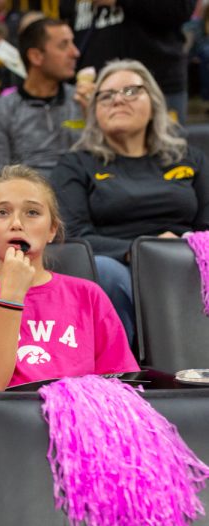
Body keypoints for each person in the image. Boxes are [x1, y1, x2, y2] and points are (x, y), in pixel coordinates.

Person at [50, 59, 209, 342]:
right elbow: (72, 236)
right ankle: (122, 373)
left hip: (187, 258)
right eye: (106, 95)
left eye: (131, 91)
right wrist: (141, 249)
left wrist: (182, 248)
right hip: (118, 262)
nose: (118, 100)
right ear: (95, 109)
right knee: (106, 272)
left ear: (154, 103)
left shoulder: (190, 157)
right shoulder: (76, 164)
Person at [0, 164, 138, 395]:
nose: (16, 223)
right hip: (11, 421)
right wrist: (11, 296)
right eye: (2, 212)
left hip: (83, 420)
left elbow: (121, 384)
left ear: (52, 230)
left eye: (32, 212)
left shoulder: (89, 294)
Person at [0, 17, 90, 170]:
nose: (75, 52)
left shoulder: (84, 102)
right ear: (36, 56)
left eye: (72, 43)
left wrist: (92, 119)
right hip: (27, 191)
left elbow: (103, 165)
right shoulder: (0, 112)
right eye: (64, 45)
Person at [59, 0, 195, 123]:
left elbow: (181, 8)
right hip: (91, 87)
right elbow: (65, 13)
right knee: (92, 148)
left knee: (161, 148)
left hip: (154, 84)